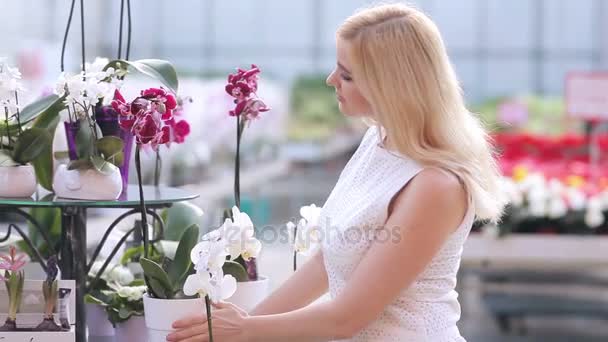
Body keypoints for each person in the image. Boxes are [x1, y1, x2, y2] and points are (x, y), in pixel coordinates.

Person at [167, 3, 506, 341]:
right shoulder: (379, 140)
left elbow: (346, 318)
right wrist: (242, 324)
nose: (331, 81)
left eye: (346, 74)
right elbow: (324, 264)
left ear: (389, 85)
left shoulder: (436, 186)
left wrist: (244, 330)